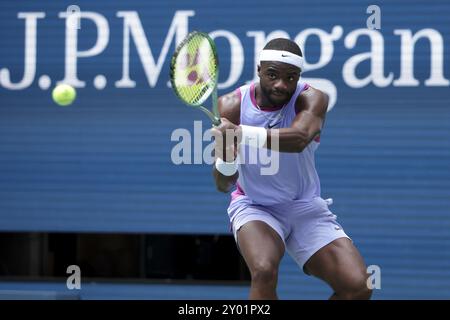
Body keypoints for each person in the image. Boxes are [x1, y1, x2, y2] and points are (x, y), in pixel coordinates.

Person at [211, 38, 372, 300]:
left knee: (358, 286)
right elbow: (222, 183)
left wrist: (240, 133)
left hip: (305, 207)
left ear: (299, 77)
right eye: (273, 74)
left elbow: (299, 139)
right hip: (255, 206)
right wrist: (226, 158)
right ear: (259, 69)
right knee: (263, 271)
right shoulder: (232, 105)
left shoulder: (313, 98)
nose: (281, 85)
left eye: (290, 77)